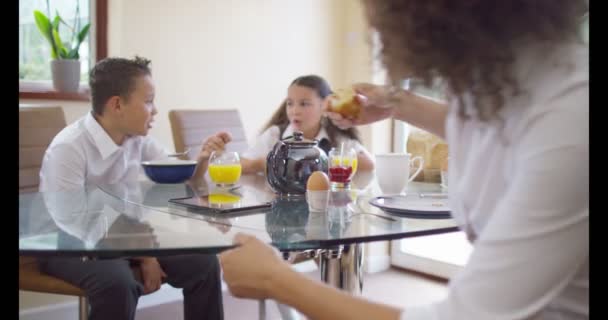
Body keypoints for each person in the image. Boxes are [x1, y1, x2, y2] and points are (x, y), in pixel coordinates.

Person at [219, 1, 589, 319]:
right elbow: (494, 130)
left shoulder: (571, 117)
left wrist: (277, 280)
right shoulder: (507, 83)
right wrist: (398, 103)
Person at [38, 56, 228, 320]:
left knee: (204, 262)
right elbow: (73, 223)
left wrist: (203, 159)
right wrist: (145, 256)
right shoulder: (69, 147)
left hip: (129, 238)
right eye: (149, 101)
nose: (155, 110)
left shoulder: (137, 140)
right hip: (65, 245)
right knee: (117, 284)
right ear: (117, 105)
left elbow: (178, 178)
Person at [240, 74, 375, 174]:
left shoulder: (334, 138)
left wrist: (316, 161)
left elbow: (368, 164)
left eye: (304, 104)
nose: (295, 111)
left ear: (324, 107)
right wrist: (259, 164)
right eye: (290, 103)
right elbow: (242, 164)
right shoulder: (275, 135)